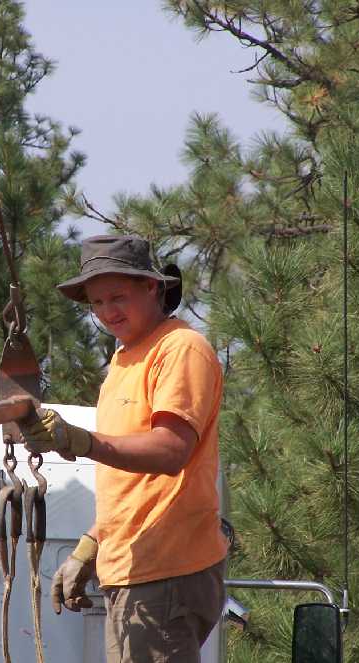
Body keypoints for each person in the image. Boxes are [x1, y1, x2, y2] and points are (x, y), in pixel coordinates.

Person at [19, 235, 228, 663]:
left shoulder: (180, 349)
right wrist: (91, 547)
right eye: (96, 303)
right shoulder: (125, 359)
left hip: (166, 572)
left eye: (118, 297)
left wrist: (80, 440)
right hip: (138, 571)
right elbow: (133, 486)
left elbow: (171, 450)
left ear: (153, 287)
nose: (107, 312)